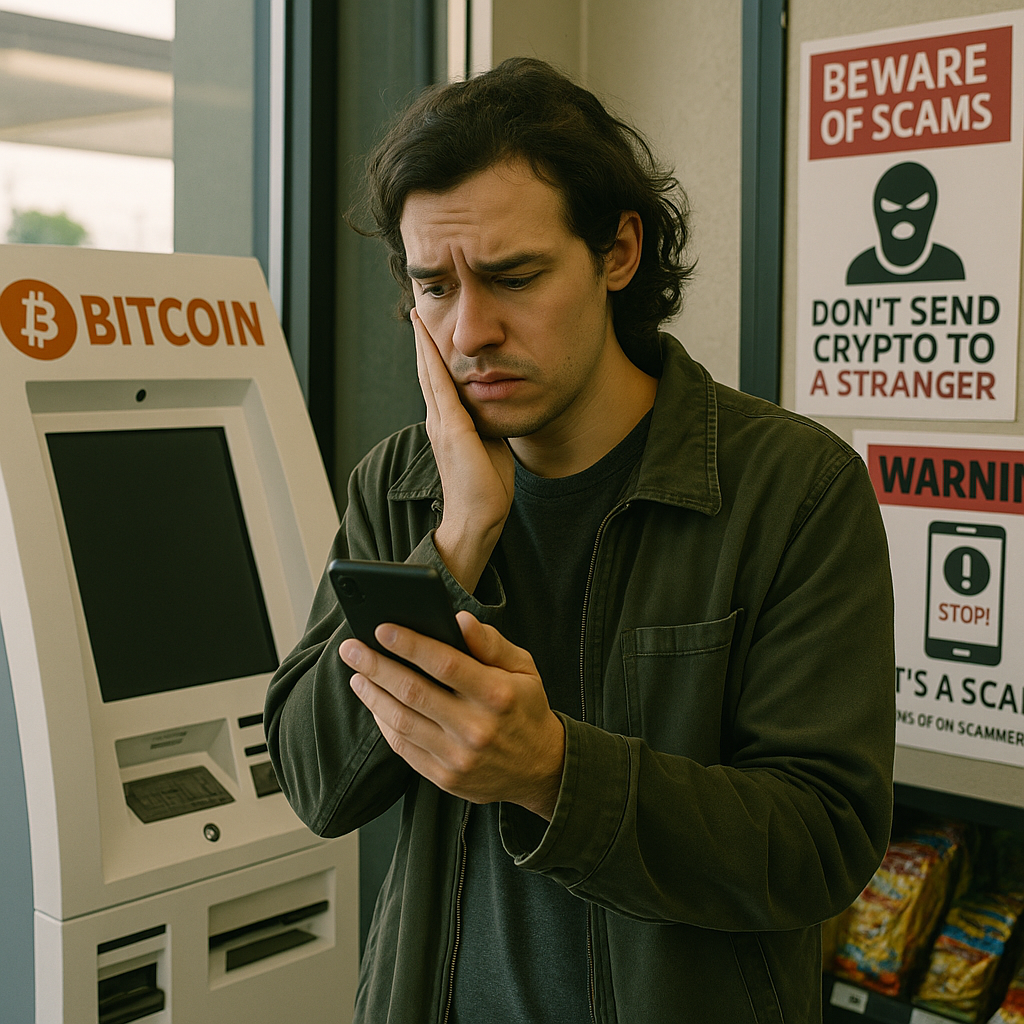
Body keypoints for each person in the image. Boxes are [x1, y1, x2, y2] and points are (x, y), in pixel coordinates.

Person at [265, 57, 896, 1023]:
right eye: (434, 288)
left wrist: (553, 772)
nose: (470, 330)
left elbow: (821, 844)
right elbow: (316, 783)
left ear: (618, 252)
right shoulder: (403, 484)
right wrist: (458, 538)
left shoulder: (791, 490)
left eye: (515, 276)